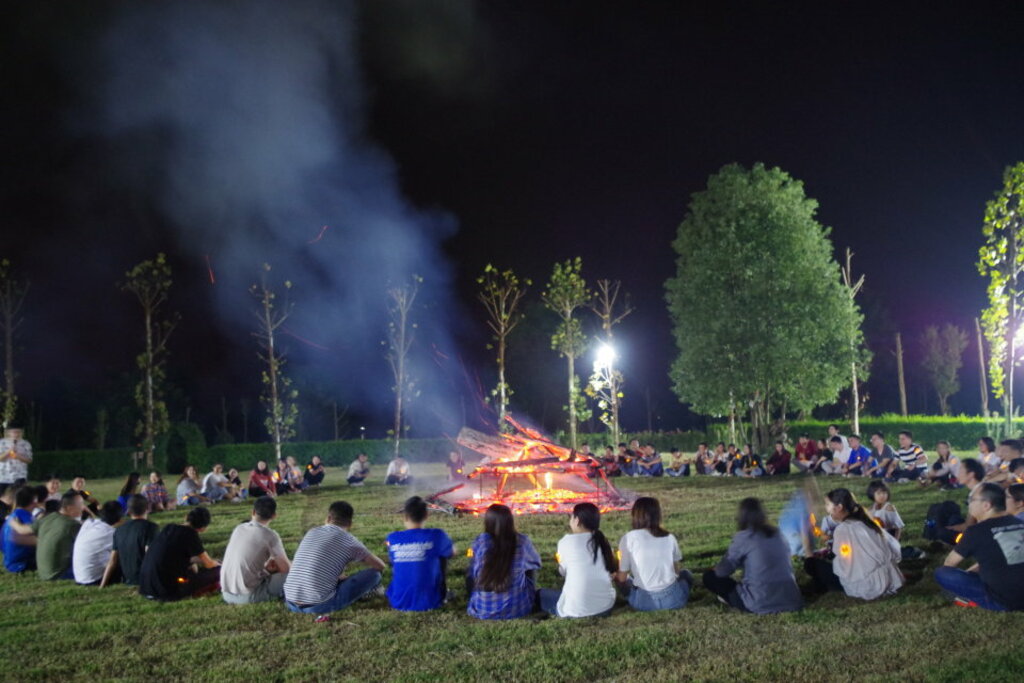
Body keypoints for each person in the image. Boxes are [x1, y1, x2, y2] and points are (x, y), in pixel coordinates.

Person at [284, 501, 386, 614]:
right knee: (374, 575)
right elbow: (380, 566)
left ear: (328, 518)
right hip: (319, 605)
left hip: (290, 601)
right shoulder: (350, 541)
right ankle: (366, 592)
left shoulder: (312, 532)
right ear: (350, 524)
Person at [703, 497, 802, 613]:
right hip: (792, 599)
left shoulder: (744, 537)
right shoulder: (778, 533)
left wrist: (716, 569)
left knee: (710, 577)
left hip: (759, 602)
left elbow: (723, 571)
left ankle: (730, 599)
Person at [935, 483, 1024, 611]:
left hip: (1004, 600)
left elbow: (949, 564)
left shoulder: (976, 531)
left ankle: (969, 597)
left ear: (986, 505)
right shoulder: (1019, 523)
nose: (969, 503)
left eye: (972, 499)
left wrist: (967, 577)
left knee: (942, 573)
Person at [803, 488, 903, 600]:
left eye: (827, 504)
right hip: (890, 577)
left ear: (839, 507)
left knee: (811, 564)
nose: (826, 508)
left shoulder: (843, 529)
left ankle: (819, 587)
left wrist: (808, 549)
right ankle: (819, 587)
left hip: (869, 585)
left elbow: (845, 564)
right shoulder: (865, 521)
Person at [538, 502, 617, 618]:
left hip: (575, 612)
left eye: (571, 517)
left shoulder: (566, 542)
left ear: (577, 520)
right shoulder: (604, 543)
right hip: (605, 607)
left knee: (540, 594)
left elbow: (563, 572)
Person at [466, 503, 542, 620]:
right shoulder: (523, 541)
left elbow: (472, 573)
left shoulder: (480, 541)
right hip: (519, 609)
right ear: (510, 521)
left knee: (472, 569)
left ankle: (480, 597)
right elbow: (535, 564)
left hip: (483, 608)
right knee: (529, 570)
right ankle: (527, 597)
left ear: (487, 522)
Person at [616, 497, 691, 611]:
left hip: (643, 603)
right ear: (658, 515)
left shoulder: (628, 539)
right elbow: (676, 572)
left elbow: (622, 578)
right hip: (674, 600)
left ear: (635, 515)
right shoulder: (669, 537)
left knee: (625, 581)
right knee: (686, 574)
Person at [386, 496, 454, 612]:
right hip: (431, 601)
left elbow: (392, 560)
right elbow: (452, 553)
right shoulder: (436, 535)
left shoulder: (393, 538)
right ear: (426, 515)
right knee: (442, 555)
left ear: (405, 516)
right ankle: (440, 593)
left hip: (398, 600)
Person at [139, 506, 221, 601]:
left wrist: (204, 561)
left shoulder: (168, 528)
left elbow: (178, 557)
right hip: (168, 591)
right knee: (218, 571)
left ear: (186, 517)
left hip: (146, 587)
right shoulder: (191, 534)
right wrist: (218, 563)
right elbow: (209, 564)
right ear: (203, 528)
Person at [221, 496, 291, 604]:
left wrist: (267, 570)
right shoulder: (270, 535)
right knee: (294, 574)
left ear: (253, 512)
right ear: (274, 516)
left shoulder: (239, 528)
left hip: (226, 594)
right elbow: (285, 569)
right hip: (248, 597)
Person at [100, 494, 158, 587]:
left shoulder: (119, 530)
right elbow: (150, 557)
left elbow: (112, 561)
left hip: (127, 579)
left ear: (128, 510)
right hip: (143, 579)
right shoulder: (151, 527)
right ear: (147, 508)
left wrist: (102, 585)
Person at [33, 491, 84, 580]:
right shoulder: (72, 525)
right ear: (69, 508)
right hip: (58, 574)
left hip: (43, 572)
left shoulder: (50, 517)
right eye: (80, 505)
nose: (83, 508)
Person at [73, 500, 123, 585]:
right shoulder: (112, 533)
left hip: (79, 577)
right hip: (94, 580)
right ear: (119, 518)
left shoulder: (88, 523)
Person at [2, 486, 37, 573]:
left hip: (9, 562)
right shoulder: (26, 516)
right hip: (21, 563)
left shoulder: (12, 516)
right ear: (33, 501)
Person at [0, 427, 32, 493]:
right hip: (4, 476)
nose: (16, 434)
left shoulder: (26, 444)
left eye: (18, 432)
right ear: (8, 432)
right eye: (14, 432)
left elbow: (29, 460)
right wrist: (9, 451)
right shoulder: (2, 443)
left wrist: (18, 456)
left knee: (18, 497)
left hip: (20, 475)